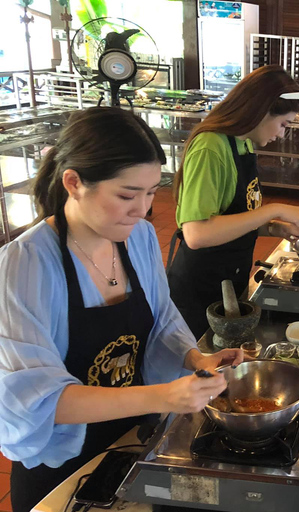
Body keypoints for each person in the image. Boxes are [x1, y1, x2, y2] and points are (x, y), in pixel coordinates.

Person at [0, 107, 242, 512]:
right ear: (74, 183)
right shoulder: (24, 265)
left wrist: (197, 358)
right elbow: (37, 400)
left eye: (151, 193)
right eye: (127, 195)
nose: (143, 210)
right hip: (61, 462)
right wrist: (165, 395)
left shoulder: (139, 238)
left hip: (130, 443)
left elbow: (162, 316)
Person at [167, 65, 299, 339]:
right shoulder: (211, 146)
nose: (282, 134)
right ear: (261, 111)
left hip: (228, 280)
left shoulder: (241, 143)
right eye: (283, 124)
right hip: (199, 289)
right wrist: (275, 209)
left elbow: (233, 216)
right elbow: (197, 233)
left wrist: (273, 228)